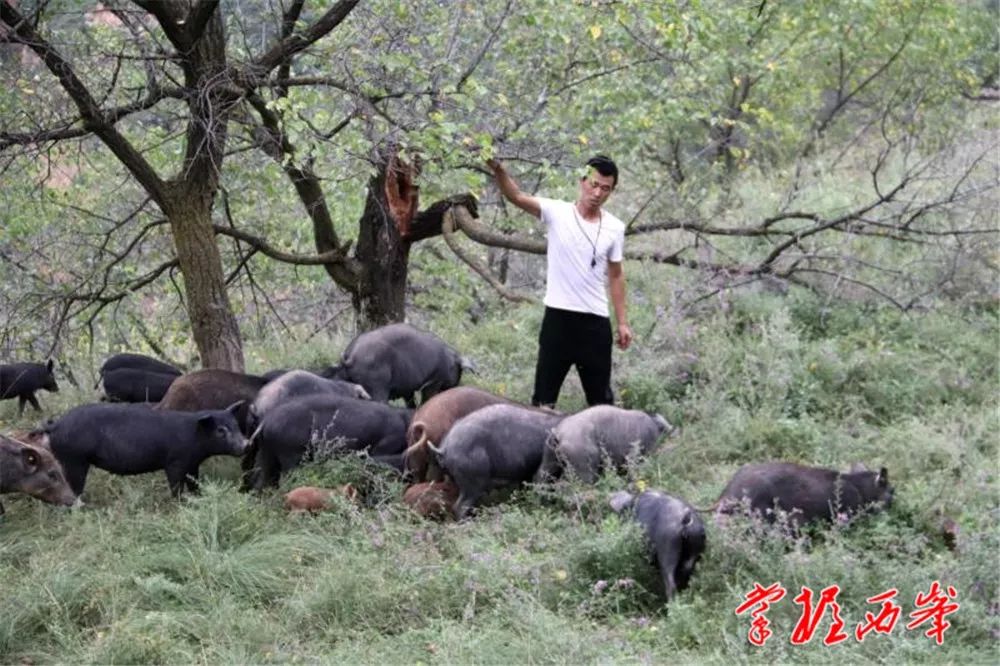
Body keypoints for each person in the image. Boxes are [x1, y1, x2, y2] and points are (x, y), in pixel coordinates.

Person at [487, 154, 633, 408]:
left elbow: (616, 274)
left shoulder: (615, 228)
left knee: (601, 404)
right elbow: (516, 196)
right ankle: (538, 447)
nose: (598, 193)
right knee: (543, 400)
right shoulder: (557, 212)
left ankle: (603, 448)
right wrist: (498, 168)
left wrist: (623, 323)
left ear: (612, 191)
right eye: (594, 184)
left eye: (605, 188)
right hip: (559, 319)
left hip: (595, 322)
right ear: (582, 180)